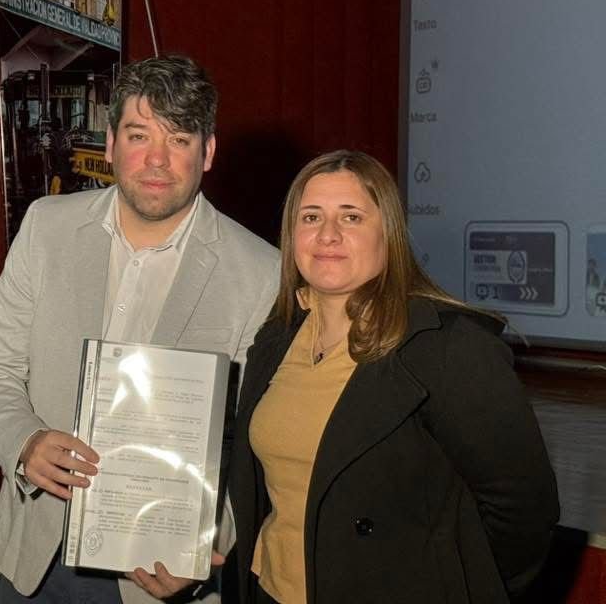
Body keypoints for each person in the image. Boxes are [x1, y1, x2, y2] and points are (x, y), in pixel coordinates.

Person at [0, 55, 280, 604]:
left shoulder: (261, 272)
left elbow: (259, 444)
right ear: (109, 144)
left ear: (207, 152)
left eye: (178, 139)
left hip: (157, 573)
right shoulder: (46, 228)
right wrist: (25, 441)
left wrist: (203, 544)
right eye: (138, 135)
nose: (157, 159)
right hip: (38, 554)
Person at [227, 150, 559, 604]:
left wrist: (457, 587)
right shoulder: (278, 336)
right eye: (311, 217)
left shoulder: (448, 347)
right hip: (270, 591)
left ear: (388, 234)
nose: (327, 234)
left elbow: (524, 510)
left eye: (351, 217)